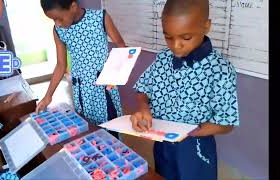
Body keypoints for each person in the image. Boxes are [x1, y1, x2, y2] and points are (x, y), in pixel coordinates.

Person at [130, 0, 240, 179]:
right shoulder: (163, 59)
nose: (176, 45)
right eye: (168, 37)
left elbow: (226, 123)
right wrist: (144, 109)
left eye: (186, 37)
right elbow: (142, 89)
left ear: (206, 26)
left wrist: (189, 132)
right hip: (162, 143)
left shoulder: (220, 69)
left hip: (195, 148)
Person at [37, 0, 126, 138]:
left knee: (111, 130)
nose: (57, 23)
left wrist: (116, 75)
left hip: (103, 87)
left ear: (73, 6)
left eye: (59, 18)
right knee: (89, 131)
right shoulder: (58, 31)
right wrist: (48, 96)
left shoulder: (100, 17)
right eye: (53, 20)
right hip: (81, 90)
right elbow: (61, 65)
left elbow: (121, 45)